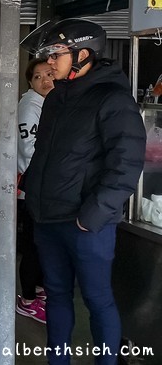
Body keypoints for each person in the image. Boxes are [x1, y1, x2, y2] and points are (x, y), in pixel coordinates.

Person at [21, 19, 146, 364]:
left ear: (83, 54)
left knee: (97, 298)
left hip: (86, 222)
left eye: (55, 54)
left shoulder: (112, 99)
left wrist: (93, 216)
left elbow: (126, 164)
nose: (48, 63)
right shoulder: (57, 97)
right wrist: (31, 192)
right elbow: (44, 153)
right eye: (47, 55)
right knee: (57, 295)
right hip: (48, 218)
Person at [15, 58, 54, 323]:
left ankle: (38, 292)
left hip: (44, 188)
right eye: (38, 77)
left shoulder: (49, 104)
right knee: (32, 247)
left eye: (49, 74)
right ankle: (27, 299)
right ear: (30, 82)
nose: (45, 80)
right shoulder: (31, 106)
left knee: (42, 246)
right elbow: (30, 152)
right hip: (31, 188)